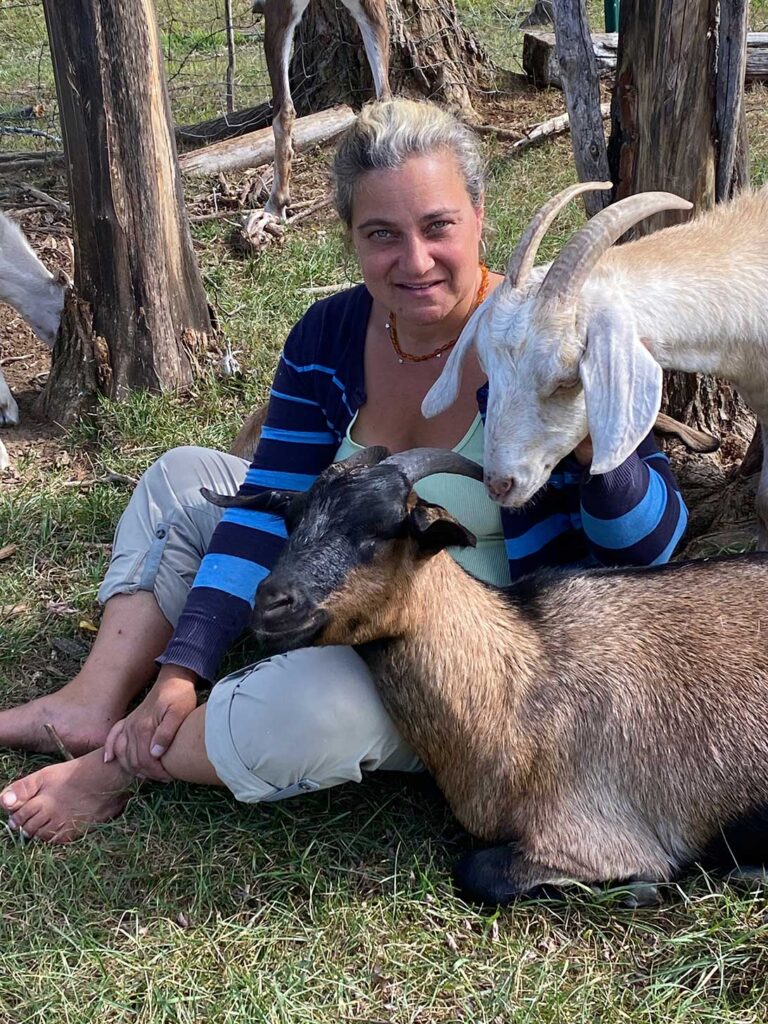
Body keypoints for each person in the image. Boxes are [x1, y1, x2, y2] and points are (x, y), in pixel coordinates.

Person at [0, 99, 688, 843]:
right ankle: (96, 699)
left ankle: (124, 764)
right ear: (351, 238)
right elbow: (272, 509)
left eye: (438, 227)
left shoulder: (551, 337)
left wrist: (597, 450)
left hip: (479, 659)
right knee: (178, 475)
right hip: (339, 579)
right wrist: (182, 669)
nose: (415, 260)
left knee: (300, 711)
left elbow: (652, 555)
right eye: (382, 234)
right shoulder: (329, 332)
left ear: (480, 216)